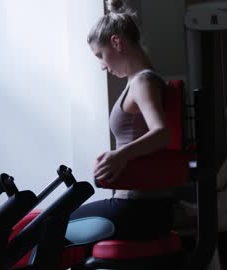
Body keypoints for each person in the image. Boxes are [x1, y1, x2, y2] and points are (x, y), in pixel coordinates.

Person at [66, 0, 175, 245]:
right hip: (137, 206)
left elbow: (162, 133)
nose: (102, 65)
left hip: (138, 209)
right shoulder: (137, 80)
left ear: (116, 43)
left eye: (100, 56)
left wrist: (120, 156)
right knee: (48, 223)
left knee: (48, 227)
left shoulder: (143, 82)